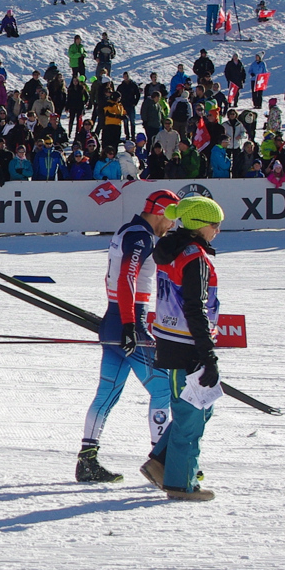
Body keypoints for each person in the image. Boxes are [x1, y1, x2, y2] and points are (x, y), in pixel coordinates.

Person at [76, 190, 179, 483]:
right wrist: (130, 325)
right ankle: (163, 464)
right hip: (129, 321)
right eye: (171, 219)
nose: (171, 226)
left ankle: (87, 461)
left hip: (115, 319)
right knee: (164, 390)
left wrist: (120, 321)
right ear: (162, 213)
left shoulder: (128, 230)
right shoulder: (141, 236)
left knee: (106, 394)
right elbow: (126, 278)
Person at [142, 196, 225, 501]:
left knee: (198, 409)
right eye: (215, 224)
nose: (217, 230)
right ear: (201, 225)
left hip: (172, 342)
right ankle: (181, 483)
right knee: (191, 415)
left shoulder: (175, 249)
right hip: (187, 346)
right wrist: (208, 355)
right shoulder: (195, 258)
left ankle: (161, 463)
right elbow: (195, 309)